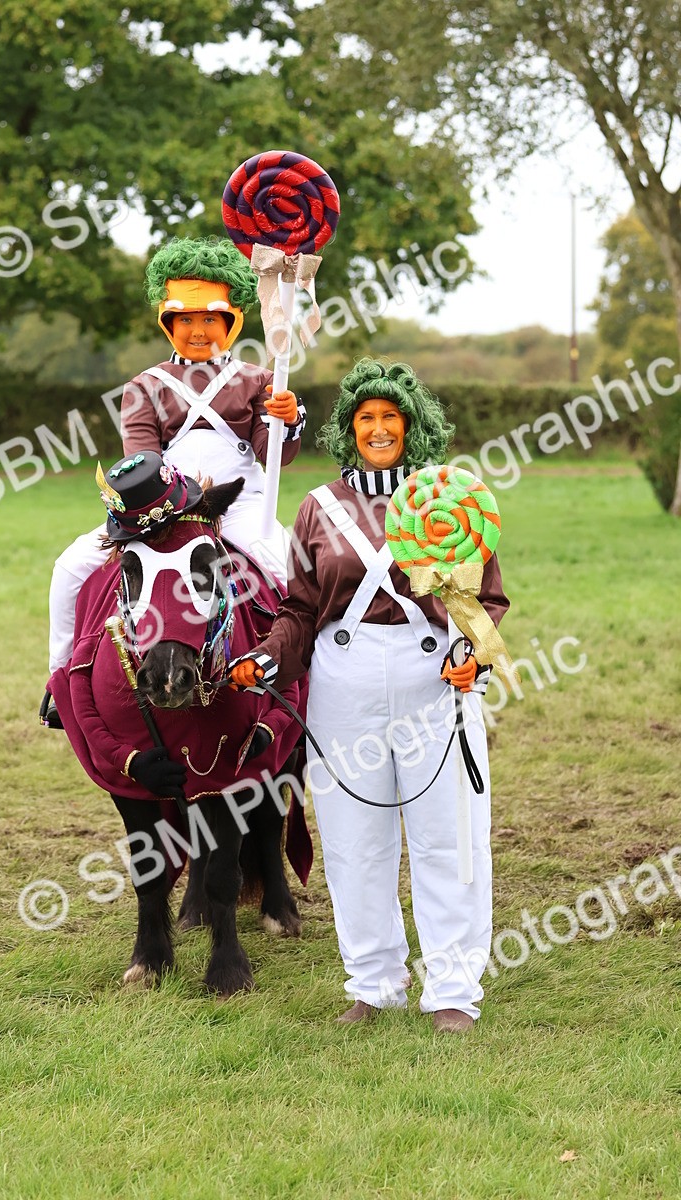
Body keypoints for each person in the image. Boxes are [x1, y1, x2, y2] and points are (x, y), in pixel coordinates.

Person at [228, 358, 509, 1032]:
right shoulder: (316, 508)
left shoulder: (453, 496)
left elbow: (487, 599)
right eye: (365, 418)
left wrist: (472, 656)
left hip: (432, 677)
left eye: (391, 417)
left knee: (449, 840)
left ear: (413, 426)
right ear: (348, 428)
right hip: (343, 682)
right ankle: (373, 984)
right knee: (356, 841)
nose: (378, 428)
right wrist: (267, 657)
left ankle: (452, 991)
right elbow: (299, 609)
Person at [47, 237, 304, 675]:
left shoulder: (261, 380)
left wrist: (288, 419)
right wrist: (180, 508)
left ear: (233, 320)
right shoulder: (143, 386)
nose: (198, 330)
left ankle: (299, 675)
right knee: (70, 566)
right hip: (162, 509)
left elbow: (275, 454)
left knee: (289, 573)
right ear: (167, 322)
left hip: (240, 507)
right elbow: (142, 466)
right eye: (185, 319)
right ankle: (61, 674)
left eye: (210, 318)